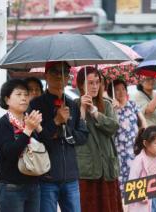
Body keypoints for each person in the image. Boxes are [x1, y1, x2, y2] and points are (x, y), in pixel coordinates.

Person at [29, 61, 88, 212]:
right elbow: (36, 139)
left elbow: (83, 136)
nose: (60, 75)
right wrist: (56, 121)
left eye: (65, 71)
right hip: (46, 176)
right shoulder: (36, 105)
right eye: (55, 71)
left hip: (71, 176)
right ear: (45, 75)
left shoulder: (73, 105)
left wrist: (65, 130)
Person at [75, 66, 123, 212]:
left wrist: (96, 114)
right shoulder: (74, 104)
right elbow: (75, 134)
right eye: (90, 83)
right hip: (87, 167)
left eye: (97, 82)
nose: (95, 86)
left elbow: (114, 127)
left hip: (106, 164)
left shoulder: (107, 104)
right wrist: (83, 110)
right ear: (81, 85)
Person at [0, 79, 42, 212]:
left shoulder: (31, 120)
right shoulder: (2, 124)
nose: (24, 98)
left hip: (33, 185)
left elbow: (46, 148)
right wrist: (27, 131)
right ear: (7, 99)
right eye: (19, 94)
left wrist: (39, 129)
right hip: (11, 187)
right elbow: (9, 153)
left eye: (26, 95)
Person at [107, 79, 147, 194]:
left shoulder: (132, 105)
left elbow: (143, 122)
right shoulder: (110, 107)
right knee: (120, 186)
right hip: (118, 151)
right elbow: (110, 129)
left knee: (136, 182)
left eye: (123, 89)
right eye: (117, 90)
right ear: (111, 92)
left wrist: (142, 137)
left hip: (133, 149)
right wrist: (113, 110)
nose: (121, 92)